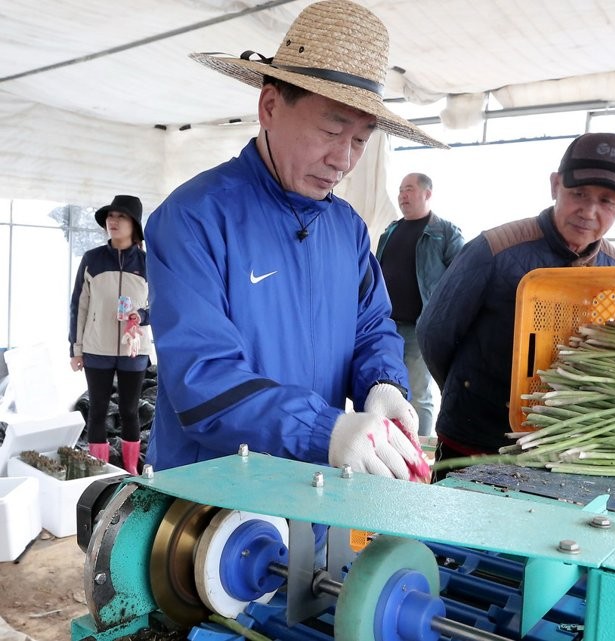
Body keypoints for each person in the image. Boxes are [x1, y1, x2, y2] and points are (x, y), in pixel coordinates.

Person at [143, 0, 447, 481]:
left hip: (316, 486)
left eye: (362, 139)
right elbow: (202, 380)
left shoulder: (346, 227)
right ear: (269, 107)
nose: (343, 159)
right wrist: (323, 429)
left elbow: (370, 328)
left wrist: (384, 381)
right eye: (331, 129)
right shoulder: (193, 218)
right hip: (212, 498)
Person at [417, 132, 615, 472]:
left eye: (607, 200)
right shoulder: (494, 249)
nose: (588, 210)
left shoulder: (612, 268)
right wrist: (466, 391)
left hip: (555, 449)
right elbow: (435, 333)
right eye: (578, 193)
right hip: (474, 437)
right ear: (555, 185)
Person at [376, 173, 465, 437]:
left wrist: (445, 320)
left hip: (421, 327)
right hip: (387, 326)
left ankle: (419, 451)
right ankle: (390, 446)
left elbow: (462, 279)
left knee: (418, 393)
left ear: (427, 193)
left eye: (409, 190)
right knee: (386, 390)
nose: (403, 195)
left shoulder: (444, 232)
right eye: (400, 190)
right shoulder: (390, 230)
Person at [69, 194, 151, 475]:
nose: (112, 221)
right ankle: (97, 469)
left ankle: (130, 470)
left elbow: (162, 306)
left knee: (129, 411)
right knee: (98, 410)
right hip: (96, 348)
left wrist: (140, 316)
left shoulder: (147, 263)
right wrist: (76, 349)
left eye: (121, 217)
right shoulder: (92, 259)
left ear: (134, 225)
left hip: (134, 349)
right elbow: (78, 305)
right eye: (110, 216)